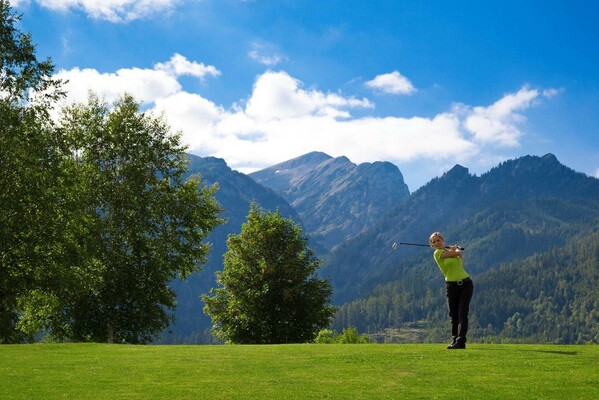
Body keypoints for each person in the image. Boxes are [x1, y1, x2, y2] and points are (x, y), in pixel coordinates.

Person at [429, 231, 473, 349]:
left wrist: (455, 251)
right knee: (453, 315)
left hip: (466, 284)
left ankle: (461, 341)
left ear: (443, 240)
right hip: (451, 286)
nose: (437, 243)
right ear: (432, 245)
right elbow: (455, 254)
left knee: (462, 313)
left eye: (438, 240)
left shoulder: (450, 252)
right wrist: (455, 250)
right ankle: (455, 339)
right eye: (434, 242)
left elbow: (459, 255)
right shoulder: (437, 253)